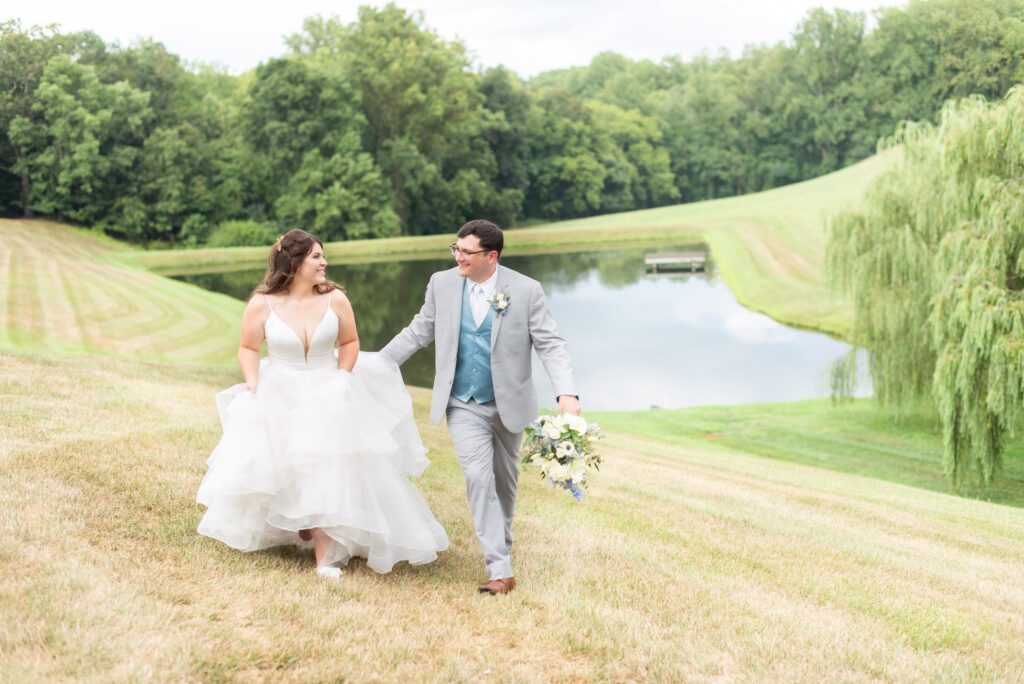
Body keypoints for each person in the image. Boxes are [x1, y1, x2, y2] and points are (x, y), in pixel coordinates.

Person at [196, 228, 448, 579]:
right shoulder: (262, 302)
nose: (324, 262)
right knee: (285, 464)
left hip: (330, 385)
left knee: (327, 467)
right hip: (280, 388)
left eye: (322, 255)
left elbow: (350, 341)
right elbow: (248, 347)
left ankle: (325, 558)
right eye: (317, 256)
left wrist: (343, 377)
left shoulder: (335, 298)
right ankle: (298, 524)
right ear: (295, 262)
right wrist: (253, 382)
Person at [381, 219, 580, 595]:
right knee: (477, 476)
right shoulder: (442, 283)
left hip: (510, 402)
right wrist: (379, 362)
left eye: (466, 252)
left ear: (492, 256)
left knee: (504, 482)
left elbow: (550, 344)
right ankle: (500, 569)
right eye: (455, 248)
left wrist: (566, 393)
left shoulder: (526, 290)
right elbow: (420, 330)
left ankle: (501, 539)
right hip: (461, 401)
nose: (458, 257)